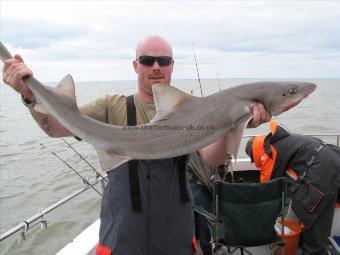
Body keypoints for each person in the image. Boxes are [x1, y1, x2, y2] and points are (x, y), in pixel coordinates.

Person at [2, 35, 270, 255]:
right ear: (135, 65)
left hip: (176, 236)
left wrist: (236, 123)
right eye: (147, 60)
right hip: (123, 238)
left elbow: (212, 158)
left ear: (172, 66)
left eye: (163, 60)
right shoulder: (111, 106)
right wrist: (29, 95)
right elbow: (59, 127)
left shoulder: (194, 111)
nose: (156, 66)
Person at [245, 120, 340, 255]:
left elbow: (267, 188)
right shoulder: (277, 140)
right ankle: (311, 245)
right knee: (316, 214)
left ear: (254, 152)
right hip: (333, 160)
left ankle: (314, 251)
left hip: (322, 171)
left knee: (312, 217)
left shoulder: (268, 153)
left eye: (254, 159)